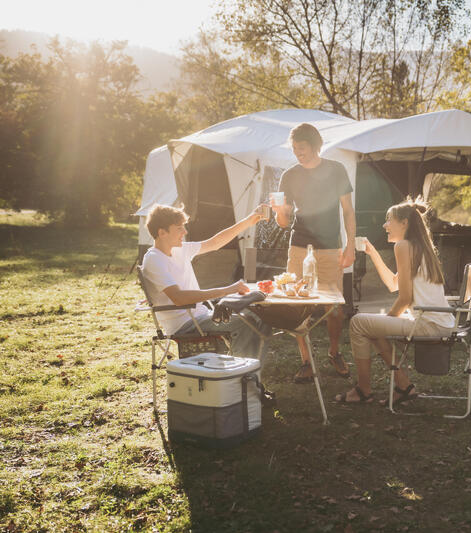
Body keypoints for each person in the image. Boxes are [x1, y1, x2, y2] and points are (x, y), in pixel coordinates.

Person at [334, 197, 455, 404]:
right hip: (442, 322)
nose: (384, 225)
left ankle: (364, 390)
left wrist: (387, 323)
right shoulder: (419, 246)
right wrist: (373, 253)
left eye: (389, 220)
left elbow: (405, 298)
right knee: (370, 326)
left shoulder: (404, 246)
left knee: (357, 323)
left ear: (404, 223)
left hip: (429, 324)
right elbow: (393, 284)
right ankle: (403, 386)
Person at [271, 123, 356, 383]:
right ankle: (306, 361)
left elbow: (348, 211)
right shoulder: (289, 175)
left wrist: (350, 244)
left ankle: (334, 352)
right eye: (295, 149)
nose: (299, 153)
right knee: (298, 306)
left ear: (315, 145)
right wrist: (279, 213)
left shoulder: (335, 170)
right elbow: (284, 222)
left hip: (331, 245)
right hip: (299, 245)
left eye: (303, 148)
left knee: (334, 308)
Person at [141, 203, 271, 359]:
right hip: (185, 325)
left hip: (200, 315)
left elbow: (214, 243)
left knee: (262, 317)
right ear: (162, 233)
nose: (185, 231)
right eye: (179, 228)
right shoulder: (154, 259)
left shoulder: (179, 250)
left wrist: (248, 221)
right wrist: (228, 290)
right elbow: (179, 298)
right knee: (247, 324)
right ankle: (244, 375)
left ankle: (247, 373)